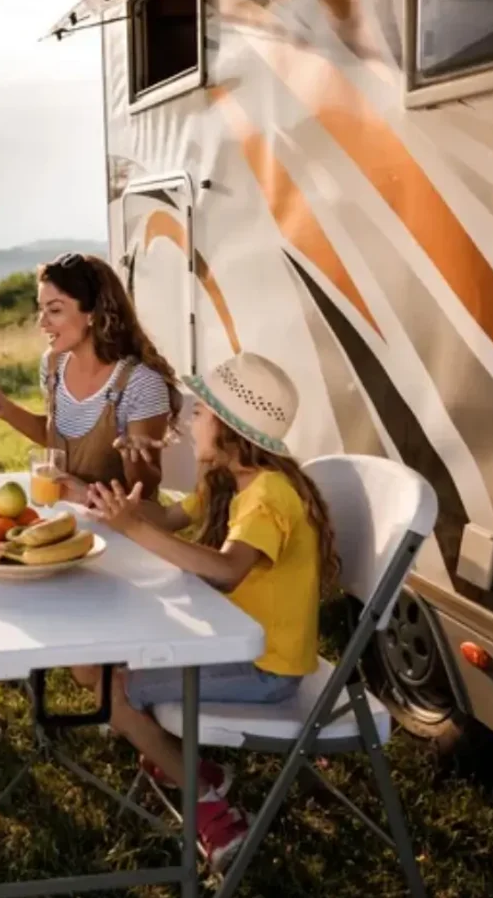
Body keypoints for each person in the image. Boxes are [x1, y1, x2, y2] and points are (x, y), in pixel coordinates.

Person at [76, 351, 341, 871]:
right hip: (227, 640)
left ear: (229, 427)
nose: (191, 419)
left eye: (200, 412)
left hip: (265, 666)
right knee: (90, 665)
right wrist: (97, 498)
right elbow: (166, 518)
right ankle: (189, 766)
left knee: (112, 689)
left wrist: (132, 528)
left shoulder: (269, 495)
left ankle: (209, 805)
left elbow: (225, 570)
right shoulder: (228, 480)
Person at [0, 251, 183, 764]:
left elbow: (145, 490)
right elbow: (55, 437)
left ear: (92, 313)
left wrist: (126, 464)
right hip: (63, 522)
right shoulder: (54, 366)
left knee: (16, 603)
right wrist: (6, 411)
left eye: (54, 310)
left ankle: (124, 701)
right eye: (40, 310)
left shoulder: (138, 384)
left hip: (123, 539)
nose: (42, 323)